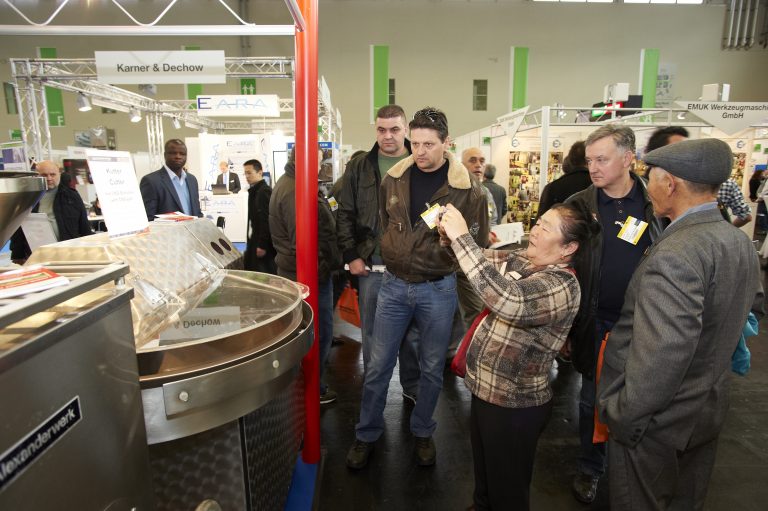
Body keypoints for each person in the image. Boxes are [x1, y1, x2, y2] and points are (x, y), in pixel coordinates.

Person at [598, 138, 764, 511]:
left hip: (657, 423)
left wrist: (626, 415)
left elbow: (664, 354)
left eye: (652, 179)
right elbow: (747, 309)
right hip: (706, 410)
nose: (648, 188)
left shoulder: (675, 253)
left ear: (670, 183)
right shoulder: (737, 240)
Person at [346, 107, 489, 469]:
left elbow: (476, 242)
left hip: (437, 289)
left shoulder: (469, 191)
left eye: (429, 144)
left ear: (446, 143)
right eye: (416, 143)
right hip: (393, 285)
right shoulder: (394, 178)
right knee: (377, 365)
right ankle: (367, 433)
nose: (420, 151)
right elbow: (386, 222)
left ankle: (423, 430)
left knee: (431, 367)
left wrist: (448, 249)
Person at [439, 201, 597, 511]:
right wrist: (450, 239)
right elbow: (478, 262)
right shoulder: (525, 260)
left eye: (546, 228)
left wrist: (462, 237)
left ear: (569, 248)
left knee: (507, 492)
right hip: (487, 393)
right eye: (538, 223)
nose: (535, 230)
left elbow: (508, 299)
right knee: (486, 478)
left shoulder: (561, 285)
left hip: (513, 405)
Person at [566, 124, 664, 504]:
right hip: (597, 321)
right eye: (590, 160)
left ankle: (634, 465)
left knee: (645, 396)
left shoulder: (656, 202)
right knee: (593, 399)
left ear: (628, 159)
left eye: (602, 159)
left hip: (646, 322)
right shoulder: (579, 205)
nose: (593, 167)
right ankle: (590, 466)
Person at [335, 105, 421, 403]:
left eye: (395, 129)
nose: (388, 136)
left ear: (406, 129)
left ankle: (412, 386)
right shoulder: (359, 167)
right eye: (381, 130)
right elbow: (345, 213)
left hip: (413, 265)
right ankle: (375, 389)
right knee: (372, 333)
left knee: (412, 334)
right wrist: (351, 255)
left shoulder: (420, 162)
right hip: (372, 264)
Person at [270, 147, 341, 404]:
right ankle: (310, 392)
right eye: (318, 161)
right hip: (307, 276)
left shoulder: (297, 184)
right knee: (316, 334)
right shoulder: (294, 190)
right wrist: (323, 267)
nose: (321, 166)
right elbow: (301, 241)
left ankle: (310, 388)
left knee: (314, 333)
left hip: (308, 273)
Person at [646, 127, 752, 227]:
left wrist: (724, 233)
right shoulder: (643, 190)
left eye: (687, 149)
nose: (687, 154)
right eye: (677, 150)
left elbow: (745, 216)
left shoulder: (709, 186)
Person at [9, 160, 92, 262]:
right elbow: (17, 229)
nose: (49, 178)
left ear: (59, 174)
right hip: (36, 255)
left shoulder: (72, 196)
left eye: (52, 174)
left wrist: (89, 252)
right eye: (44, 175)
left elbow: (84, 226)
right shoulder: (27, 198)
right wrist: (17, 256)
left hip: (69, 254)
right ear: (36, 176)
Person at [140, 139, 202, 220]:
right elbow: (149, 217)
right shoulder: (151, 181)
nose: (178, 156)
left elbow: (197, 212)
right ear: (165, 155)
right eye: (173, 153)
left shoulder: (192, 180)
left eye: (182, 154)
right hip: (167, 228)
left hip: (192, 228)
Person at [538, 141, 592, 219]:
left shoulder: (553, 187)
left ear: (571, 159)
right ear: (588, 160)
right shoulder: (598, 185)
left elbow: (541, 220)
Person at [242, 159, 276, 274]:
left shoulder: (263, 192)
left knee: (262, 274)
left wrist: (262, 245)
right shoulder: (255, 191)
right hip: (255, 239)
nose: (247, 176)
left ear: (260, 172)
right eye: (245, 173)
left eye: (249, 173)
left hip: (262, 243)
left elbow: (266, 220)